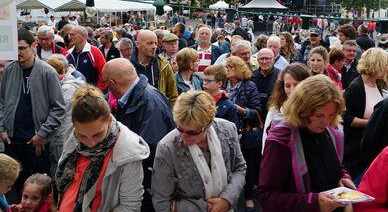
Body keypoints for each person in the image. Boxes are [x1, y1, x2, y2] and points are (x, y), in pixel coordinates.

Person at [257, 75, 355, 212]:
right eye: (319, 115)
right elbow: (266, 196)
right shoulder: (281, 139)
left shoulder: (331, 131)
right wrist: (314, 202)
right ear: (302, 110)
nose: (326, 122)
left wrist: (343, 177)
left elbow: (335, 166)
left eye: (332, 115)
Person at [55, 84, 149, 212]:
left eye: (97, 134)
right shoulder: (71, 134)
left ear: (109, 120)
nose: (91, 143)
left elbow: (130, 206)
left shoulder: (128, 152)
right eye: (82, 136)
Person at [151, 91, 246, 212]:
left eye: (192, 132)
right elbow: (161, 202)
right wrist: (206, 208)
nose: (184, 136)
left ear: (209, 124)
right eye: (180, 129)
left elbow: (240, 168)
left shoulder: (227, 130)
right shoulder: (167, 147)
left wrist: (227, 199)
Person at [102, 58, 175, 212]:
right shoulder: (134, 96)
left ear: (113, 83)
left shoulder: (148, 102)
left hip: (151, 183)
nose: (105, 88)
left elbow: (149, 148)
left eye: (106, 83)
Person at [0, 29, 66, 195]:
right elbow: (1, 101)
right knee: (15, 186)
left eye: (22, 48)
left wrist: (42, 134)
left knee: (39, 187)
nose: (19, 53)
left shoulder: (47, 72)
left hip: (37, 143)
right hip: (12, 140)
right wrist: (2, 128)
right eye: (16, 49)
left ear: (33, 46)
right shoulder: (10, 70)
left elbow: (59, 108)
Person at [343, 48, 388, 182]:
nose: (387, 68)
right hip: (356, 149)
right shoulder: (356, 87)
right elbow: (347, 118)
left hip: (370, 146)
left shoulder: (377, 84)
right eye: (385, 65)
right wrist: (373, 121)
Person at [223, 56, 261, 211]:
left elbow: (256, 112)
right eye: (226, 67)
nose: (226, 70)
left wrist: (236, 108)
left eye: (229, 67)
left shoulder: (249, 85)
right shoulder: (223, 84)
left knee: (247, 166)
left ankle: (249, 197)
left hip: (244, 133)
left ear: (237, 69)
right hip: (227, 133)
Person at [45, 56, 85, 175]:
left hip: (61, 136)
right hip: (61, 134)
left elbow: (58, 111)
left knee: (60, 171)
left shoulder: (67, 88)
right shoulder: (66, 84)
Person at [262, 63, 310, 152]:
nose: (292, 90)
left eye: (296, 85)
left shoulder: (313, 109)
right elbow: (266, 142)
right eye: (287, 86)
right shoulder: (275, 110)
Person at [130, 30, 178, 103]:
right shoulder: (128, 66)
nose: (154, 47)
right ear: (138, 44)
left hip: (159, 111)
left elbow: (173, 96)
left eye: (156, 43)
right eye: (150, 43)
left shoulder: (164, 65)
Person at [66, 26, 107, 91]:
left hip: (90, 95)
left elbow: (104, 73)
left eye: (73, 35)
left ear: (83, 36)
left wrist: (97, 91)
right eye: (69, 35)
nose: (69, 37)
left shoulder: (95, 52)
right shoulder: (68, 53)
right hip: (72, 95)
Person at [253, 49, 280, 121]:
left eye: (267, 58)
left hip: (275, 117)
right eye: (262, 59)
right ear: (258, 60)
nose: (264, 61)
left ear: (273, 60)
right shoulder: (251, 76)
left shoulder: (281, 76)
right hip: (256, 118)